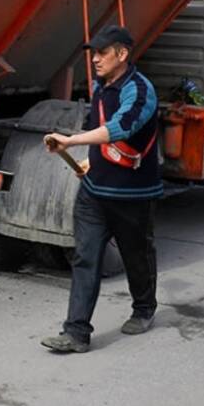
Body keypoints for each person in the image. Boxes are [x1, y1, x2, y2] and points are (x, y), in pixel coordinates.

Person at [41, 25, 161, 354]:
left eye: (102, 53)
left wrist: (70, 141)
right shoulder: (100, 86)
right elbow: (99, 131)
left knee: (136, 255)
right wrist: (92, 163)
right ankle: (76, 333)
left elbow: (120, 128)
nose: (95, 59)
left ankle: (144, 309)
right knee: (85, 258)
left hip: (132, 195)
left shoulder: (139, 90)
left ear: (122, 54)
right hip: (95, 191)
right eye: (93, 53)